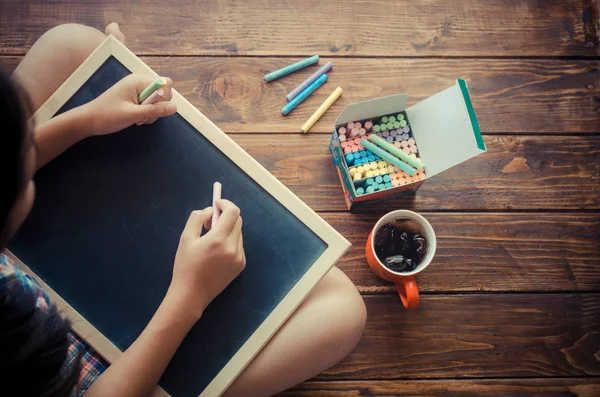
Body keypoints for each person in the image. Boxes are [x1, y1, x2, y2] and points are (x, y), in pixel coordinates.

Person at [0, 23, 367, 397]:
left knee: (71, 45)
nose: (28, 149)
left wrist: (87, 118)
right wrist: (190, 295)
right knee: (340, 310)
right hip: (81, 379)